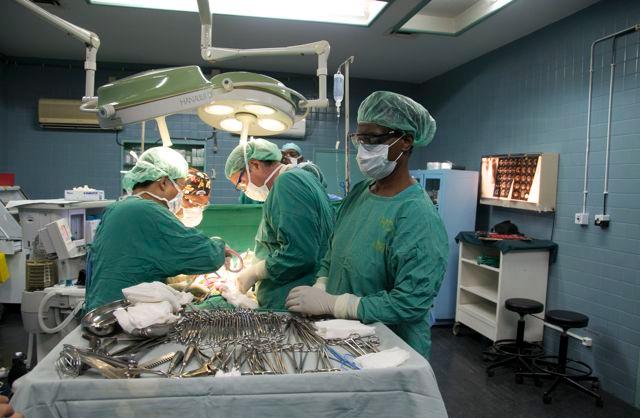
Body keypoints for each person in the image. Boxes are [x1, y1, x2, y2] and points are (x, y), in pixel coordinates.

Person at [285, 91, 448, 358]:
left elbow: (411, 302)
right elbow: (333, 250)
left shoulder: (418, 217)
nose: (363, 148)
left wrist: (337, 305)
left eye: (373, 138)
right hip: (340, 336)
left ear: (405, 141)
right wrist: (321, 285)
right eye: (360, 139)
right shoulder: (360, 192)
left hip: (389, 352)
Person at [85, 147, 227, 312]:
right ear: (163, 182)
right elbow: (208, 257)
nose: (180, 194)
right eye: (180, 186)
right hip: (124, 316)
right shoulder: (148, 211)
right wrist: (220, 246)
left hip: (102, 311)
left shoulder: (116, 208)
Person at [225, 138, 334, 310]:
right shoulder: (302, 180)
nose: (245, 190)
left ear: (255, 165)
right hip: (296, 297)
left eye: (242, 183)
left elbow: (299, 252)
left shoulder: (288, 183)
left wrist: (256, 272)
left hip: (290, 300)